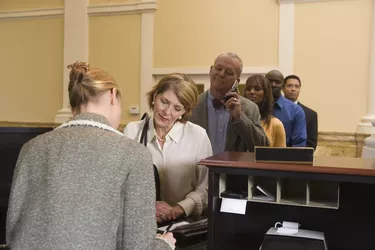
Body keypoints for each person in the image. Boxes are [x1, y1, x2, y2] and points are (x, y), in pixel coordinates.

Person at [6, 62, 175, 250]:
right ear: (112, 95)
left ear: (73, 106)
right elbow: (138, 246)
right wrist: (164, 244)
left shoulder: (31, 148)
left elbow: (14, 231)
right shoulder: (134, 154)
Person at [124, 73, 212, 224]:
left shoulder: (198, 136)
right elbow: (123, 184)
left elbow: (206, 187)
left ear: (184, 111)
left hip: (184, 223)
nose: (167, 112)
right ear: (155, 96)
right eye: (164, 102)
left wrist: (178, 209)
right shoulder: (132, 132)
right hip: (140, 222)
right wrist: (150, 206)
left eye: (177, 108)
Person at [189, 52, 269, 155]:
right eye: (218, 68)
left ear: (237, 81)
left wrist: (240, 118)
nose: (221, 74)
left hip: (232, 171)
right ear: (210, 70)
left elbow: (262, 147)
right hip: (198, 169)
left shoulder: (250, 108)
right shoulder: (192, 104)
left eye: (228, 72)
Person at [266, 70, 307, 147]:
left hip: (285, 157)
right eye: (270, 81)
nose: (273, 85)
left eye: (277, 82)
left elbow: (298, 145)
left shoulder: (296, 111)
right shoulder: (255, 107)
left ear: (282, 86)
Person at [244, 74, 286, 147]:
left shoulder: (276, 124)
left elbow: (281, 157)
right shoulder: (237, 120)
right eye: (248, 89)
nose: (252, 92)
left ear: (266, 93)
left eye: (257, 89)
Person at [283, 74, 318, 150]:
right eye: (289, 86)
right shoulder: (275, 109)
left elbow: (311, 144)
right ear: (283, 89)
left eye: (296, 86)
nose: (293, 89)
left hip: (300, 157)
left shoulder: (311, 115)